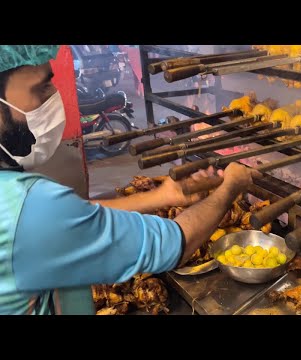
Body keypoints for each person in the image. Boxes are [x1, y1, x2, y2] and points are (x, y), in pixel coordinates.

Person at [0, 45, 260, 314]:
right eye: (41, 88)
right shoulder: (31, 208)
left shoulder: (19, 200)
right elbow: (173, 244)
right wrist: (230, 187)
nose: (56, 97)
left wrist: (160, 197)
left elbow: (76, 217)